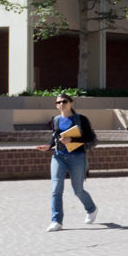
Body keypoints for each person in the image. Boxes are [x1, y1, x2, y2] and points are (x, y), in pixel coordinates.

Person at [40, 94, 101, 232]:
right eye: (58, 102)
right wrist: (48, 147)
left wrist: (71, 140)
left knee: (77, 189)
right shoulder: (56, 120)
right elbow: (55, 137)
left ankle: (91, 209)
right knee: (56, 189)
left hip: (77, 157)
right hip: (58, 157)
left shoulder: (81, 119)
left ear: (71, 102)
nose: (61, 104)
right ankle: (56, 221)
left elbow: (90, 137)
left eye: (64, 101)